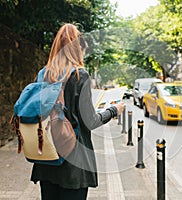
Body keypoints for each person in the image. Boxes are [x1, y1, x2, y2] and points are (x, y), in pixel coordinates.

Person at [30, 23, 125, 200]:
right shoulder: (80, 76)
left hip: (47, 158)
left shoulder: (43, 74)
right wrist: (113, 110)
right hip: (73, 162)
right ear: (77, 49)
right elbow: (90, 121)